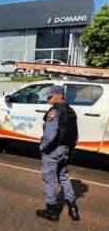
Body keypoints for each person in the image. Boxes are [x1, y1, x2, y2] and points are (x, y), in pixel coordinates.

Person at [36, 85, 80, 222]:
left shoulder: (54, 112)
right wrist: (70, 149)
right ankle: (73, 208)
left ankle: (52, 211)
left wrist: (43, 147)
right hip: (66, 150)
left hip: (54, 150)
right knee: (64, 177)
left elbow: (50, 134)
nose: (48, 99)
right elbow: (76, 135)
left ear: (60, 95)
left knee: (49, 180)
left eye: (50, 96)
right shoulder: (71, 111)